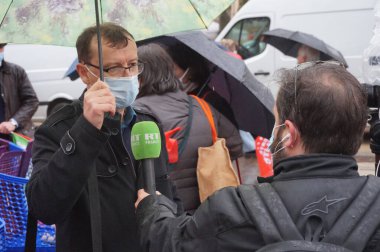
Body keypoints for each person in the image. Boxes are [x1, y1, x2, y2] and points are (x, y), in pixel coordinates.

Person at [134, 62, 380, 251]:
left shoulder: (233, 208)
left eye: (277, 124)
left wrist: (153, 211)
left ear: (289, 135)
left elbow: (173, 243)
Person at [26, 23, 176, 251]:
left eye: (133, 65)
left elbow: (170, 194)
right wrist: (86, 129)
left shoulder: (147, 123)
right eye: (114, 68)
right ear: (85, 73)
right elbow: (44, 207)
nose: (128, 76)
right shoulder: (57, 128)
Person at [134, 43, 242, 213]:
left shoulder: (135, 113)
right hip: (205, 210)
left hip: (159, 212)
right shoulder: (202, 107)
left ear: (139, 75)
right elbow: (235, 145)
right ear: (170, 70)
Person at [164, 42, 238, 126]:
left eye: (173, 69)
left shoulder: (214, 103)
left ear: (190, 71)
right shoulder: (174, 98)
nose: (168, 74)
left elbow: (230, 135)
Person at [0, 43, 39, 138]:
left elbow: (32, 101)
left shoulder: (16, 72)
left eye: (1, 47)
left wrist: (13, 122)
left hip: (15, 136)